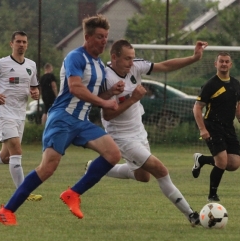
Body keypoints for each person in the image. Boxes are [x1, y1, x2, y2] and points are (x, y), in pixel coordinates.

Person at [0, 15, 122, 225]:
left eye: (106, 37)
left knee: (113, 154)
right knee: (47, 168)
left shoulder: (99, 65)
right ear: (87, 37)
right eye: (99, 37)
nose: (103, 41)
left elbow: (94, 95)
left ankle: (73, 193)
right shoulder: (76, 57)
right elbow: (75, 88)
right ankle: (7, 210)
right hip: (62, 118)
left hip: (81, 122)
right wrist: (105, 101)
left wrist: (110, 94)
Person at [87, 39, 208, 226]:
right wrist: (133, 98)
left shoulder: (135, 67)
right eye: (127, 59)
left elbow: (165, 66)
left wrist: (194, 58)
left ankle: (96, 168)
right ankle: (191, 215)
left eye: (133, 58)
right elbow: (108, 115)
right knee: (160, 170)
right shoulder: (106, 77)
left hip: (139, 131)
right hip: (121, 136)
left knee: (143, 177)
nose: (131, 62)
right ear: (114, 57)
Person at [0, 31, 42, 202]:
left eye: (24, 42)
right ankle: (23, 193)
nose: (21, 45)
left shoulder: (31, 65)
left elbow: (34, 87)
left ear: (27, 44)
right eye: (18, 42)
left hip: (19, 115)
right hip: (4, 113)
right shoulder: (1, 63)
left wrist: (36, 94)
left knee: (6, 157)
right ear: (11, 44)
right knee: (16, 149)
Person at [192, 52, 240, 202]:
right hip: (212, 126)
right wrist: (202, 129)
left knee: (233, 164)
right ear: (216, 64)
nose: (224, 64)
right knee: (221, 161)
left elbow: (237, 106)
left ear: (230, 65)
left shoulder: (236, 84)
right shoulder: (211, 84)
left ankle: (202, 160)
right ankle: (212, 195)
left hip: (228, 127)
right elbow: (197, 108)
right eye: (221, 61)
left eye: (227, 62)